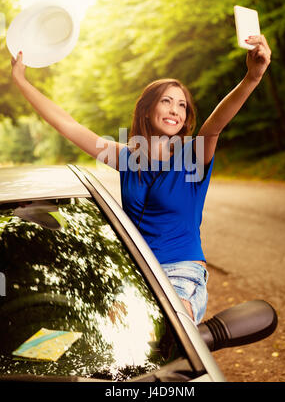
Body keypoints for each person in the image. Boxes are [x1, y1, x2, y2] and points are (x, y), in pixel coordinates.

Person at [11, 34, 271, 325]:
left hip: (181, 273)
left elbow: (215, 126)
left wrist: (252, 76)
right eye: (167, 101)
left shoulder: (192, 156)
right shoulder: (126, 157)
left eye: (182, 105)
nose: (175, 109)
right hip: (137, 272)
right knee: (113, 336)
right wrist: (21, 81)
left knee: (169, 327)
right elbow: (67, 124)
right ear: (148, 110)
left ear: (186, 118)